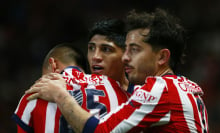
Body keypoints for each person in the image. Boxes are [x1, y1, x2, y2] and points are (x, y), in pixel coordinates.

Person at [26, 8, 209, 132]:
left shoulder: (160, 89)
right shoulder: (186, 86)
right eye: (126, 49)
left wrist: (60, 95)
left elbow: (101, 130)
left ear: (161, 57)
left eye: (135, 50)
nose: (125, 58)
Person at [13, 19, 137, 133]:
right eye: (91, 48)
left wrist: (60, 95)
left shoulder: (142, 93)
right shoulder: (64, 87)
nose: (95, 57)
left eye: (106, 49)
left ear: (126, 55)